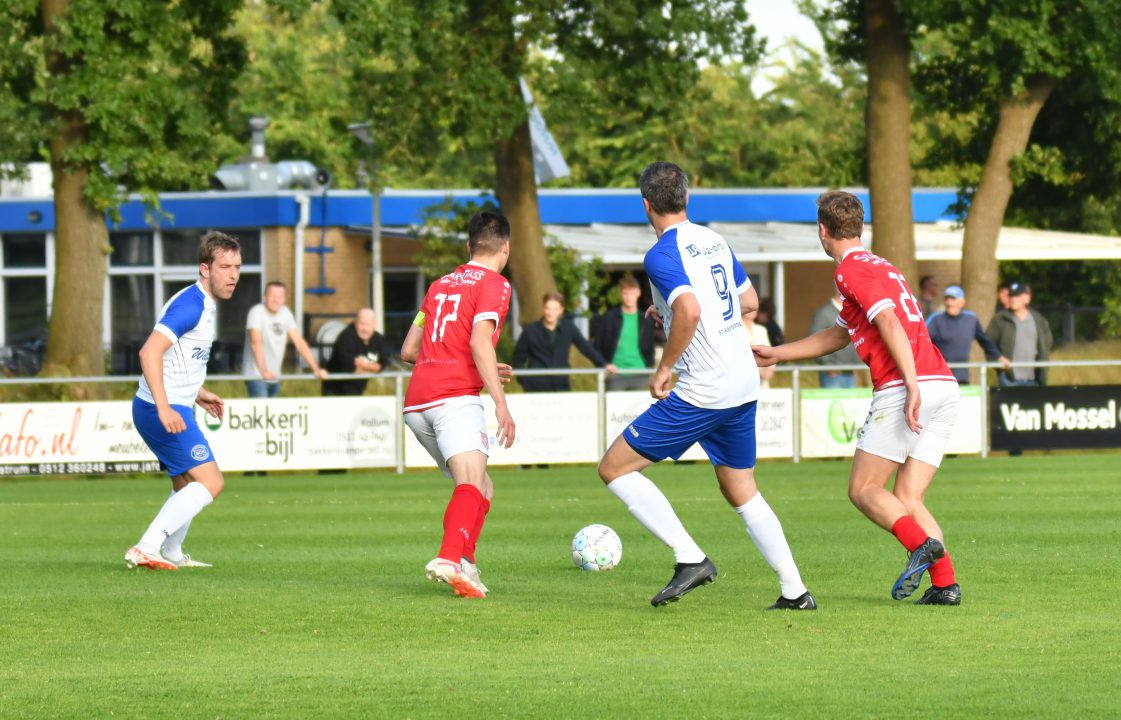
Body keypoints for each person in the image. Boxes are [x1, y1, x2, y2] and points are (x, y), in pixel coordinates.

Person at [598, 161, 815, 610]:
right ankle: (795, 591)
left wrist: (664, 368)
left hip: (706, 388)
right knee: (741, 490)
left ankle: (689, 557)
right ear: (687, 198)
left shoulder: (660, 254)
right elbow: (749, 301)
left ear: (645, 205)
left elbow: (693, 311)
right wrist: (674, 313)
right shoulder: (714, 239)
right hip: (742, 382)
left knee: (615, 468)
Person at [753, 191, 962, 606]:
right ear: (860, 228)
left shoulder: (849, 271)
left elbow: (886, 320)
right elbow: (839, 334)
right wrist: (780, 352)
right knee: (907, 498)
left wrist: (910, 384)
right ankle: (945, 584)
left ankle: (921, 545)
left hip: (909, 386)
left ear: (822, 231)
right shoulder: (882, 266)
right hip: (944, 385)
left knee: (864, 489)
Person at [400, 211, 516, 600]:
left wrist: (471, 363)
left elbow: (408, 350)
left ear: (468, 246)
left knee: (482, 487)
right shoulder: (495, 284)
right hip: (453, 399)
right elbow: (479, 341)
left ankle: (465, 563)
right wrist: (500, 402)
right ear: (506, 248)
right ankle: (450, 558)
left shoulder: (437, 287)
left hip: (416, 405)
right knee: (470, 482)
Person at [125, 231, 243, 571]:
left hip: (170, 403)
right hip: (160, 408)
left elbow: (179, 359)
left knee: (186, 483)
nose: (232, 275)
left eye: (237, 266)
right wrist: (165, 406)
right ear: (205, 269)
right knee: (211, 482)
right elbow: (149, 352)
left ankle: (172, 553)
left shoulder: (203, 303)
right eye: (224, 267)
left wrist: (199, 393)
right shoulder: (191, 305)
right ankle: (147, 546)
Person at [512, 292, 616, 391]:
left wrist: (603, 364)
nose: (550, 313)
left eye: (554, 309)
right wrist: (524, 381)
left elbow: (585, 347)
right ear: (543, 308)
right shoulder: (530, 331)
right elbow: (518, 358)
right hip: (536, 387)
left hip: (561, 385)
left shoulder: (569, 328)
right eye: (548, 308)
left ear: (561, 310)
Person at [242, 281, 327, 397]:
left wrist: (316, 369)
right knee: (263, 414)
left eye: (279, 296)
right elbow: (255, 342)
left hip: (275, 376)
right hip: (256, 375)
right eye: (272, 296)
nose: (275, 300)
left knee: (273, 413)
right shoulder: (256, 312)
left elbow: (299, 342)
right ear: (264, 296)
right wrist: (263, 371)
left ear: (284, 299)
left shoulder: (286, 313)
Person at [926, 285, 1010, 384]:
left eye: (953, 299)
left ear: (962, 302)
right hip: (939, 377)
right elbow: (922, 341)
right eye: (947, 299)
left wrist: (999, 357)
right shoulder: (936, 319)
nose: (949, 303)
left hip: (962, 376)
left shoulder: (971, 319)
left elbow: (985, 342)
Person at [591, 274, 658, 390]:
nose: (628, 297)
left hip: (641, 373)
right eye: (625, 293)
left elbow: (650, 346)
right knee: (614, 408)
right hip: (615, 373)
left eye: (631, 293)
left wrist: (650, 367)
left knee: (640, 408)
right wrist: (603, 364)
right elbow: (597, 345)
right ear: (621, 295)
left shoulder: (646, 319)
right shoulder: (609, 318)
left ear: (638, 293)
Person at [986, 282, 1053, 386]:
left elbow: (1047, 344)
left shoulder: (1039, 320)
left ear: (1027, 298)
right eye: (1011, 296)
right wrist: (998, 359)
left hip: (1034, 381)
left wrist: (1042, 365)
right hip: (1008, 380)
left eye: (1017, 296)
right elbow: (988, 343)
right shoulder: (1000, 319)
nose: (1013, 299)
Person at [322, 308, 392, 396]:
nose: (365, 328)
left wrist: (363, 365)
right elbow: (351, 368)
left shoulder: (378, 340)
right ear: (355, 322)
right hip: (334, 391)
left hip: (357, 392)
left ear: (374, 325)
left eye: (368, 324)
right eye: (362, 324)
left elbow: (383, 365)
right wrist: (372, 367)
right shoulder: (345, 338)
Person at [809, 290, 862, 388]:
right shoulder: (824, 313)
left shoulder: (852, 313)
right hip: (832, 375)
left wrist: (856, 364)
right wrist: (828, 366)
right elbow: (815, 342)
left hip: (851, 373)